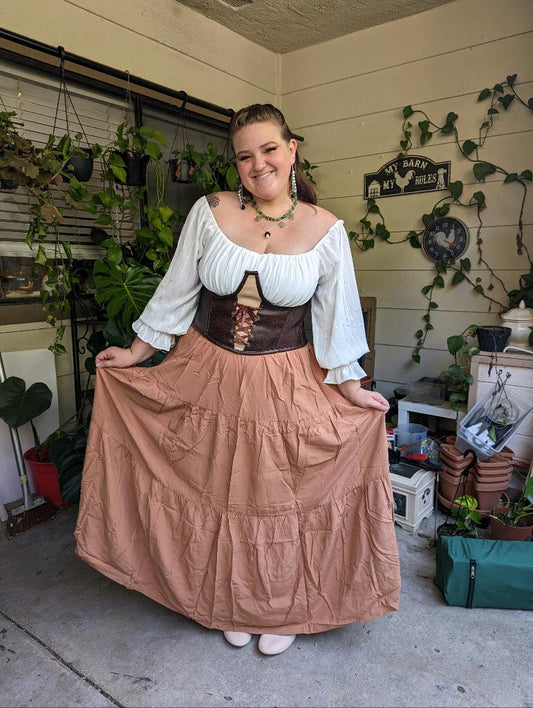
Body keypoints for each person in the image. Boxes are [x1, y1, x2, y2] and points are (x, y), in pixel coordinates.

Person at [74, 103, 401, 656]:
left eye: (269, 149)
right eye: (245, 155)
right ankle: (228, 600)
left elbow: (336, 318)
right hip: (208, 370)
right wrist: (134, 353)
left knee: (279, 496)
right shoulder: (212, 210)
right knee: (211, 486)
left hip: (286, 379)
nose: (258, 164)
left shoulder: (326, 230)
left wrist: (350, 389)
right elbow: (178, 290)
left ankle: (280, 607)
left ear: (292, 149)